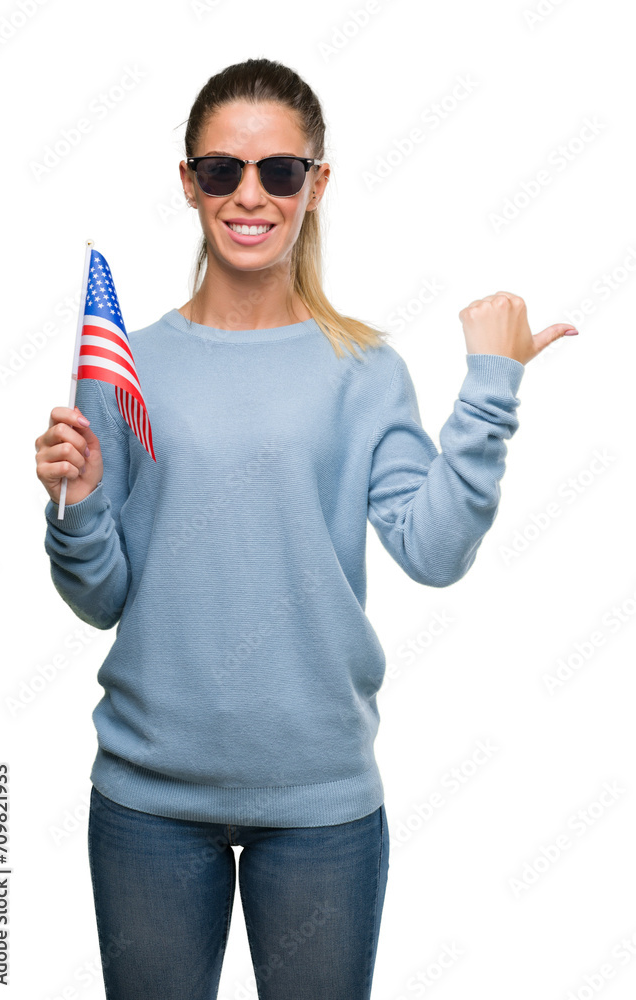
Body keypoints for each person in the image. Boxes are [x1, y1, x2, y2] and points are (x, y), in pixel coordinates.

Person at [34, 57, 578, 1000]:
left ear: (316, 185)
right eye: (223, 171)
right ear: (190, 184)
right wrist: (75, 507)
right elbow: (104, 598)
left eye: (280, 171)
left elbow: (434, 552)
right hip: (148, 798)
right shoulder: (129, 364)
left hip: (321, 799)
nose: (251, 195)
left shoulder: (364, 368)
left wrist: (490, 392)